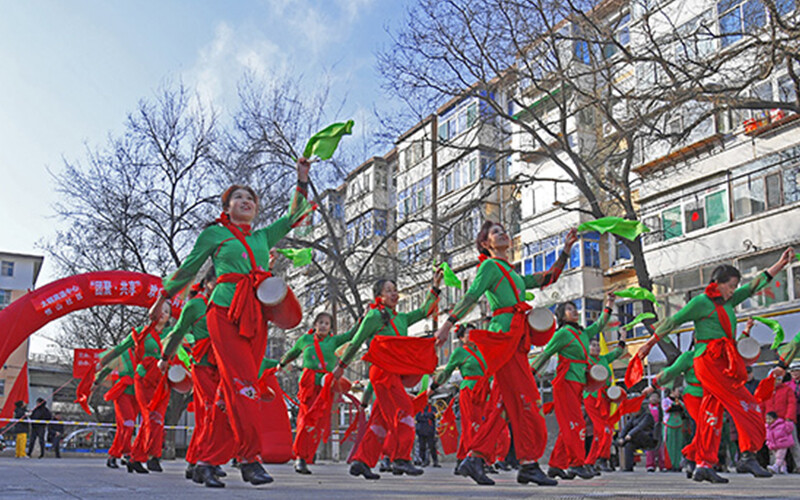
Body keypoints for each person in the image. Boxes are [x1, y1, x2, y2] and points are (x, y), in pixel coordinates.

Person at [147, 159, 314, 487]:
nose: (247, 201)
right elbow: (189, 267)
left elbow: (296, 215)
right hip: (223, 314)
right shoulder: (215, 234)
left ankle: (206, 460)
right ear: (227, 206)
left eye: (250, 198)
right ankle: (249, 459)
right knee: (244, 387)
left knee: (232, 393)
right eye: (239, 197)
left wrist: (302, 180)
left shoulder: (264, 236)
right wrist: (163, 296)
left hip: (255, 317)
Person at [434, 221, 578, 486]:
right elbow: (472, 295)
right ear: (486, 244)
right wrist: (447, 324)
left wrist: (566, 250)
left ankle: (476, 458)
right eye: (496, 232)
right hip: (505, 337)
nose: (503, 234)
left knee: (503, 404)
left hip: (516, 338)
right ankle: (527, 463)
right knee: (528, 400)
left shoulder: (513, 273)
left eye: (504, 230)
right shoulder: (489, 266)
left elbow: (548, 277)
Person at [638, 248, 795, 483]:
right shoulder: (701, 302)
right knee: (748, 405)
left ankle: (703, 464)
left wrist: (780, 264)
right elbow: (673, 321)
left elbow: (754, 286)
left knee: (712, 413)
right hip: (710, 362)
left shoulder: (728, 301)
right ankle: (747, 455)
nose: (733, 290)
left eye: (734, 286)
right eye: (730, 285)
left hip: (723, 361)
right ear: (717, 283)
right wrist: (650, 344)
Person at [334, 271, 443, 480]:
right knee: (405, 411)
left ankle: (362, 461)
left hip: (394, 373)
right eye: (389, 291)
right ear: (379, 296)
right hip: (382, 373)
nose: (394, 294)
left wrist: (435, 287)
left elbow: (424, 311)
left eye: (395, 290)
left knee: (380, 421)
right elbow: (356, 341)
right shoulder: (374, 316)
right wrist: (341, 366)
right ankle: (401, 458)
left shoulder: (400, 318)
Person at [530, 292, 615, 480]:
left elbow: (601, 324)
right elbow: (545, 354)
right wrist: (530, 374)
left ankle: (556, 465)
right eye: (569, 309)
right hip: (565, 382)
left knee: (570, 425)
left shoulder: (582, 333)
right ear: (561, 316)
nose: (574, 311)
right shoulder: (562, 334)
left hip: (579, 383)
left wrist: (609, 303)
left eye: (574, 308)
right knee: (576, 424)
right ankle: (576, 464)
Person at [158, 268, 221, 483]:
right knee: (211, 411)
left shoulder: (225, 305)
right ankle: (205, 463)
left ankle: (195, 461)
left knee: (209, 416)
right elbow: (178, 331)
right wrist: (165, 357)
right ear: (208, 283)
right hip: (202, 365)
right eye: (219, 281)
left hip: (222, 367)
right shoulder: (195, 305)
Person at [278, 312, 358, 475]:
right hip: (308, 384)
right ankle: (300, 457)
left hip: (325, 385)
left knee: (319, 422)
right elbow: (293, 353)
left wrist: (362, 319)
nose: (323, 325)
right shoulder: (305, 340)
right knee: (305, 419)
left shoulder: (334, 341)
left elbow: (351, 335)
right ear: (315, 324)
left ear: (330, 328)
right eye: (320, 322)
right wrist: (281, 363)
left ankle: (308, 455)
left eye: (327, 323)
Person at [99, 300, 173, 473]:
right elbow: (118, 350)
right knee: (135, 422)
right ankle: (123, 455)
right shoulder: (140, 334)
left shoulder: (173, 333)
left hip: (161, 382)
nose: (163, 313)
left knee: (157, 420)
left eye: (167, 311)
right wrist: (99, 367)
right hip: (138, 384)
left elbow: (187, 347)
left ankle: (148, 456)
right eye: (159, 309)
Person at [429, 325, 501, 474]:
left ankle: (463, 460)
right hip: (470, 392)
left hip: (485, 391)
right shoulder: (459, 352)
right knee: (472, 426)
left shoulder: (482, 350)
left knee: (484, 425)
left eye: (474, 332)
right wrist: (434, 387)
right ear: (461, 338)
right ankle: (476, 460)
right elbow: (446, 372)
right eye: (468, 333)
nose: (472, 335)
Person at [583, 337, 627, 473]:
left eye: (598, 345)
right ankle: (600, 459)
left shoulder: (603, 359)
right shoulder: (585, 361)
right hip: (591, 397)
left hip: (605, 399)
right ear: (588, 348)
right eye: (593, 345)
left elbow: (617, 353)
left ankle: (593, 461)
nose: (597, 347)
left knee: (603, 431)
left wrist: (623, 337)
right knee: (603, 429)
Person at [94, 347, 139, 469]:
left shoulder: (148, 353)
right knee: (128, 424)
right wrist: (96, 382)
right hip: (122, 393)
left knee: (124, 427)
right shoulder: (122, 355)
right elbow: (107, 369)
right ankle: (126, 453)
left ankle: (114, 456)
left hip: (138, 395)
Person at [617, 397, 658, 471]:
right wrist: (621, 437)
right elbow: (626, 427)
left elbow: (640, 427)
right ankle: (628, 467)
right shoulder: (633, 418)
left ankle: (623, 442)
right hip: (636, 439)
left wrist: (630, 435)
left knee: (638, 434)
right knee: (628, 445)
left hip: (647, 439)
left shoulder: (647, 416)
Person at [644, 393, 664, 472]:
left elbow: (662, 417)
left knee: (660, 448)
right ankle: (650, 465)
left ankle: (662, 465)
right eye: (652, 397)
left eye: (656, 397)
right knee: (649, 448)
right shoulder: (646, 408)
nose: (654, 399)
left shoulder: (660, 408)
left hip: (658, 428)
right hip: (649, 429)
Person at [415, 403, 439, 467]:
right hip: (421, 430)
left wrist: (424, 416)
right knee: (422, 447)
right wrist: (428, 417)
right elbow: (418, 417)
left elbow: (434, 415)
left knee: (432, 447)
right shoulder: (419, 408)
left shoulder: (432, 408)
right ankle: (423, 461)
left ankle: (435, 461)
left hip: (430, 430)